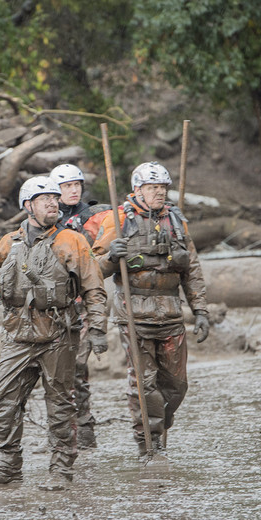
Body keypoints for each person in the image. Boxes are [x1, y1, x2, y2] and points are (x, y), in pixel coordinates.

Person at [0, 176, 107, 490]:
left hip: (59, 333)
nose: (53, 203)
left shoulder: (72, 240)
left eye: (55, 198)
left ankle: (61, 472)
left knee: (61, 406)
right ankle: (8, 467)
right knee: (4, 403)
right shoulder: (9, 241)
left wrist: (98, 329)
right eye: (45, 199)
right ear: (28, 206)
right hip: (18, 334)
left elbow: (94, 287)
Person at [92, 161, 225, 457]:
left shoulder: (176, 221)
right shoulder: (117, 220)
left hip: (171, 313)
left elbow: (192, 269)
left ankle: (158, 424)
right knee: (144, 382)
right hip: (133, 314)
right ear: (136, 190)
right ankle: (149, 445)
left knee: (177, 386)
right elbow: (94, 269)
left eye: (163, 188)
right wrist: (112, 257)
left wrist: (201, 310)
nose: (159, 193)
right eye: (153, 188)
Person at [49, 163, 111, 448]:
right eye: (66, 186)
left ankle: (84, 429)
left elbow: (103, 260)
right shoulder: (45, 219)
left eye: (76, 185)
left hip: (84, 301)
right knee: (54, 370)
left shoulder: (97, 216)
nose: (73, 190)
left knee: (77, 367)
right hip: (52, 304)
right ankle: (62, 430)